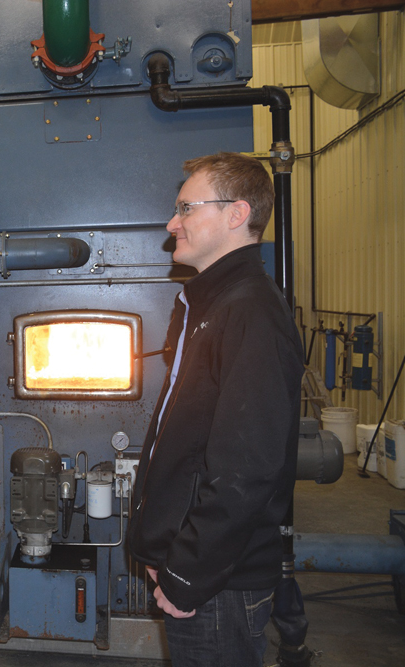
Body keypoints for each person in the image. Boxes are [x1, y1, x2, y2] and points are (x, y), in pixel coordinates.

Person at [126, 152, 304, 666]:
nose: (171, 222)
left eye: (186, 207)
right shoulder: (209, 306)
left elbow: (245, 472)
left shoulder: (250, 313)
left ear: (236, 214)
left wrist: (188, 572)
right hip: (200, 569)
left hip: (219, 584)